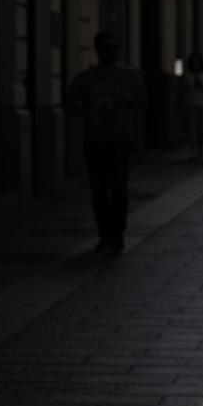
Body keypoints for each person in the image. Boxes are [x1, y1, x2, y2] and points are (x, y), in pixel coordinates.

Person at [66, 30, 147, 251]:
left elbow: (142, 102)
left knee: (119, 188)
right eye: (106, 47)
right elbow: (71, 105)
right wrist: (90, 106)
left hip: (120, 140)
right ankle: (104, 234)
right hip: (95, 140)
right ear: (98, 50)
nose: (111, 51)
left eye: (114, 47)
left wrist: (123, 98)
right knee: (99, 190)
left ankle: (117, 233)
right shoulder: (86, 78)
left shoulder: (129, 76)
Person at [182, 52, 203, 161]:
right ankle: (193, 151)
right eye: (193, 62)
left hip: (202, 104)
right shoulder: (187, 75)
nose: (196, 64)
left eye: (197, 62)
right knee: (191, 128)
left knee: (201, 128)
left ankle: (200, 149)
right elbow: (184, 89)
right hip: (190, 104)